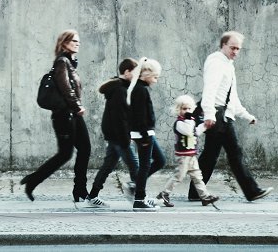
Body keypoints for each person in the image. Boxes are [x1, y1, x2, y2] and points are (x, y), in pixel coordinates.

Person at [188, 31, 273, 201]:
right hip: (217, 116)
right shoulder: (216, 62)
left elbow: (231, 97)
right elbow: (210, 91)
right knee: (233, 153)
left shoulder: (228, 64)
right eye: (232, 48)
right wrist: (210, 114)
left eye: (238, 49)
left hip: (223, 116)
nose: (235, 52)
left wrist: (246, 115)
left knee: (211, 155)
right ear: (223, 45)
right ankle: (252, 191)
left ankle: (196, 192)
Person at [21, 29, 91, 202]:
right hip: (64, 115)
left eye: (78, 41)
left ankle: (80, 189)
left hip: (72, 114)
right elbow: (65, 87)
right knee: (65, 154)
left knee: (85, 148)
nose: (77, 44)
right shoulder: (62, 62)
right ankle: (32, 181)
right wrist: (77, 106)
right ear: (64, 43)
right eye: (74, 41)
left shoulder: (69, 62)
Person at [84, 58, 140, 208]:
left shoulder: (119, 88)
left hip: (115, 135)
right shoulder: (120, 90)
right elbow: (119, 117)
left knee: (108, 166)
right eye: (135, 73)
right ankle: (140, 198)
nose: (137, 76)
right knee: (135, 166)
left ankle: (92, 196)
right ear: (127, 72)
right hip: (119, 136)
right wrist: (126, 138)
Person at [156, 95, 219, 207]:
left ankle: (205, 197)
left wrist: (204, 126)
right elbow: (189, 131)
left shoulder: (190, 121)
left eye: (189, 109)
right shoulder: (180, 123)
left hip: (191, 155)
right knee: (179, 176)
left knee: (197, 176)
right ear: (178, 110)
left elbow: (196, 132)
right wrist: (190, 120)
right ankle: (164, 194)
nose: (187, 111)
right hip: (183, 156)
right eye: (184, 109)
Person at [127, 57, 166, 211]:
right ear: (146, 74)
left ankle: (135, 186)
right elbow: (138, 115)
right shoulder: (140, 90)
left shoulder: (139, 88)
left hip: (145, 133)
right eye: (155, 77)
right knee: (144, 166)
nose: (156, 81)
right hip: (144, 134)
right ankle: (139, 199)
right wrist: (144, 135)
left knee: (160, 160)